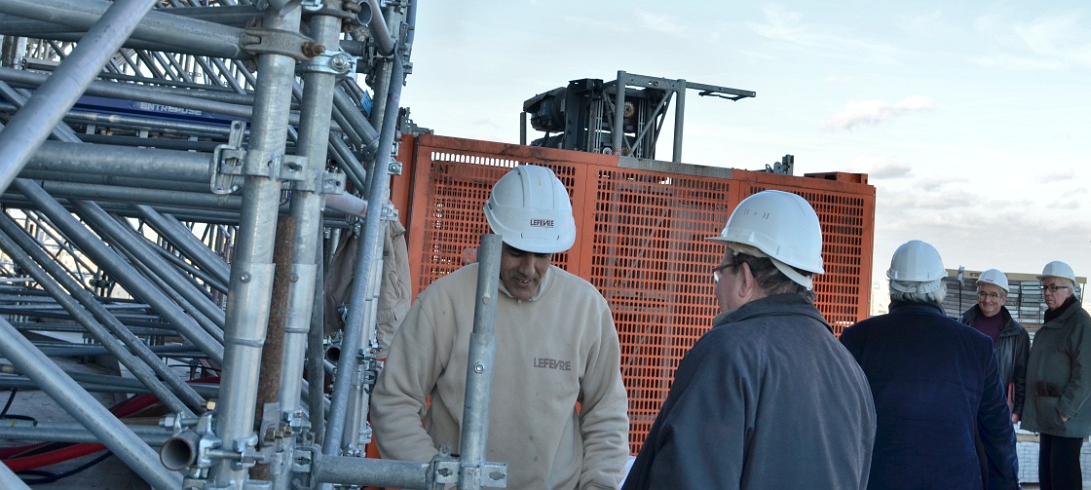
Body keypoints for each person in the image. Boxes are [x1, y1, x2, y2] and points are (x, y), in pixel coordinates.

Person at [370, 165, 630, 490]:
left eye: (542, 255)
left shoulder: (587, 309)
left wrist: (598, 486)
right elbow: (393, 402)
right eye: (516, 252)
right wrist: (440, 479)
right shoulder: (445, 301)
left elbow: (607, 415)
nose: (528, 269)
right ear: (494, 235)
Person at [623, 190, 876, 490]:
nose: (716, 290)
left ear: (745, 278)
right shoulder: (851, 372)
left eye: (720, 274)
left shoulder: (729, 353)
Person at [840, 240, 1019, 490]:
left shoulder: (857, 339)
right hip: (956, 481)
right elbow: (998, 433)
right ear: (940, 287)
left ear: (892, 285)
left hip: (878, 479)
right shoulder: (976, 346)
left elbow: (839, 425)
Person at [1021, 260, 1091, 490]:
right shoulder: (1056, 319)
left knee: (1063, 479)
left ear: (1070, 289)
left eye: (1053, 287)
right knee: (1049, 477)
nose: (1047, 293)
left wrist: (1065, 410)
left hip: (1064, 419)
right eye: (1045, 287)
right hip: (1050, 416)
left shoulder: (1080, 323)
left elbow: (1085, 374)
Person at [960, 268, 1030, 420]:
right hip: (965, 405)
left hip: (999, 408)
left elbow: (1021, 375)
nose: (987, 300)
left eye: (993, 295)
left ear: (1003, 299)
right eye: (983, 293)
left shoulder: (1018, 335)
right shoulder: (963, 325)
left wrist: (1017, 410)